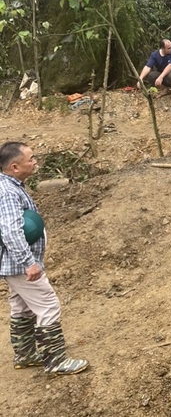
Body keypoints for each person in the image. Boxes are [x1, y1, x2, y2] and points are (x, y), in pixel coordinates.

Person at [0, 142, 89, 375]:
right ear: (15, 166)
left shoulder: (11, 185)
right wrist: (28, 262)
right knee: (48, 305)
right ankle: (56, 360)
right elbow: (10, 231)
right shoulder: (8, 192)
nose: (35, 161)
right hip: (20, 264)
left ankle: (25, 354)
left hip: (13, 264)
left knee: (22, 308)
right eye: (31, 159)